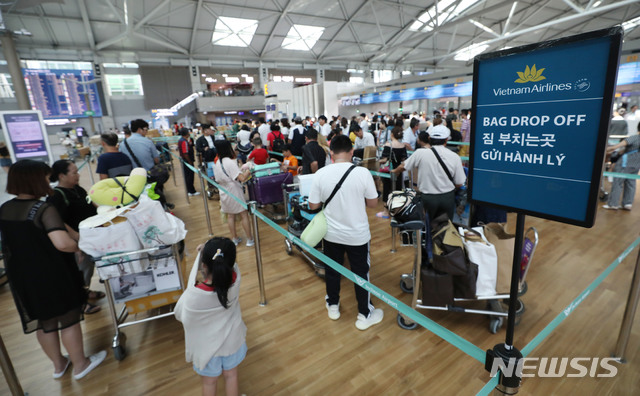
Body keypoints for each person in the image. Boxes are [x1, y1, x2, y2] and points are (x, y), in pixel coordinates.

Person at [0, 160, 106, 380]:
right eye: (45, 178)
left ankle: (59, 365)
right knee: (68, 318)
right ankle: (80, 364)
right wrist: (81, 246)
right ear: (34, 180)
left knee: (44, 322)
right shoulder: (42, 209)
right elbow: (62, 243)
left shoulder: (6, 209)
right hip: (51, 271)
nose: (48, 181)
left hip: (23, 275)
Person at [308, 135, 382, 330]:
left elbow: (313, 205)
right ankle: (364, 314)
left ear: (331, 153)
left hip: (331, 234)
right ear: (351, 152)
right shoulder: (363, 173)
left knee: (332, 270)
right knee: (360, 273)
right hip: (357, 235)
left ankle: (333, 305)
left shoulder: (321, 174)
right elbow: (373, 203)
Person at [175, 237, 247, 396]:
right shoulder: (235, 278)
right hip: (232, 340)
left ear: (203, 265)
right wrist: (208, 252)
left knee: (209, 382)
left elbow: (182, 315)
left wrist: (203, 252)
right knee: (231, 376)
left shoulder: (195, 294)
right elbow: (229, 261)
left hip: (206, 349)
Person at [48, 159, 103, 314]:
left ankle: (86, 292)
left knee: (88, 268)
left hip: (89, 236)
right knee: (80, 270)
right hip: (76, 241)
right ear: (61, 175)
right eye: (74, 172)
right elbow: (59, 222)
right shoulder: (56, 196)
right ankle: (80, 302)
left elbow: (91, 205)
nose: (77, 175)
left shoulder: (77, 189)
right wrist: (77, 238)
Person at [393, 124, 466, 220]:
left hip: (427, 197)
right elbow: (459, 182)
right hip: (447, 198)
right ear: (446, 140)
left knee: (427, 227)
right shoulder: (455, 157)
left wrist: (395, 171)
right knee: (446, 229)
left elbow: (403, 166)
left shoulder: (420, 153)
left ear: (429, 138)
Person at [213, 140, 254, 247]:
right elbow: (242, 178)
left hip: (224, 191)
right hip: (234, 190)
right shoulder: (230, 162)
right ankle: (250, 239)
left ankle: (234, 238)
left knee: (230, 216)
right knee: (244, 214)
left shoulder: (217, 162)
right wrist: (249, 169)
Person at [603, 123, 640, 210]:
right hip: (636, 165)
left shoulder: (634, 138)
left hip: (624, 164)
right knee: (631, 183)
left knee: (617, 183)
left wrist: (604, 150)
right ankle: (627, 203)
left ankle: (613, 204)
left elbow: (615, 147)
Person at [377, 126, 408, 218]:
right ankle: (396, 211)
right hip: (398, 170)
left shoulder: (388, 144)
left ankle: (386, 212)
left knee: (387, 190)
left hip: (388, 171)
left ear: (392, 134)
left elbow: (384, 159)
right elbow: (404, 160)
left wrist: (378, 161)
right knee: (397, 190)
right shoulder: (402, 146)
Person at [178, 128, 199, 196]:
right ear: (186, 133)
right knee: (190, 176)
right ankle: (191, 191)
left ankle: (189, 190)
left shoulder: (181, 140)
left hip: (185, 161)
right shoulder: (184, 142)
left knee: (187, 176)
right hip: (187, 161)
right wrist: (190, 162)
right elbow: (185, 153)